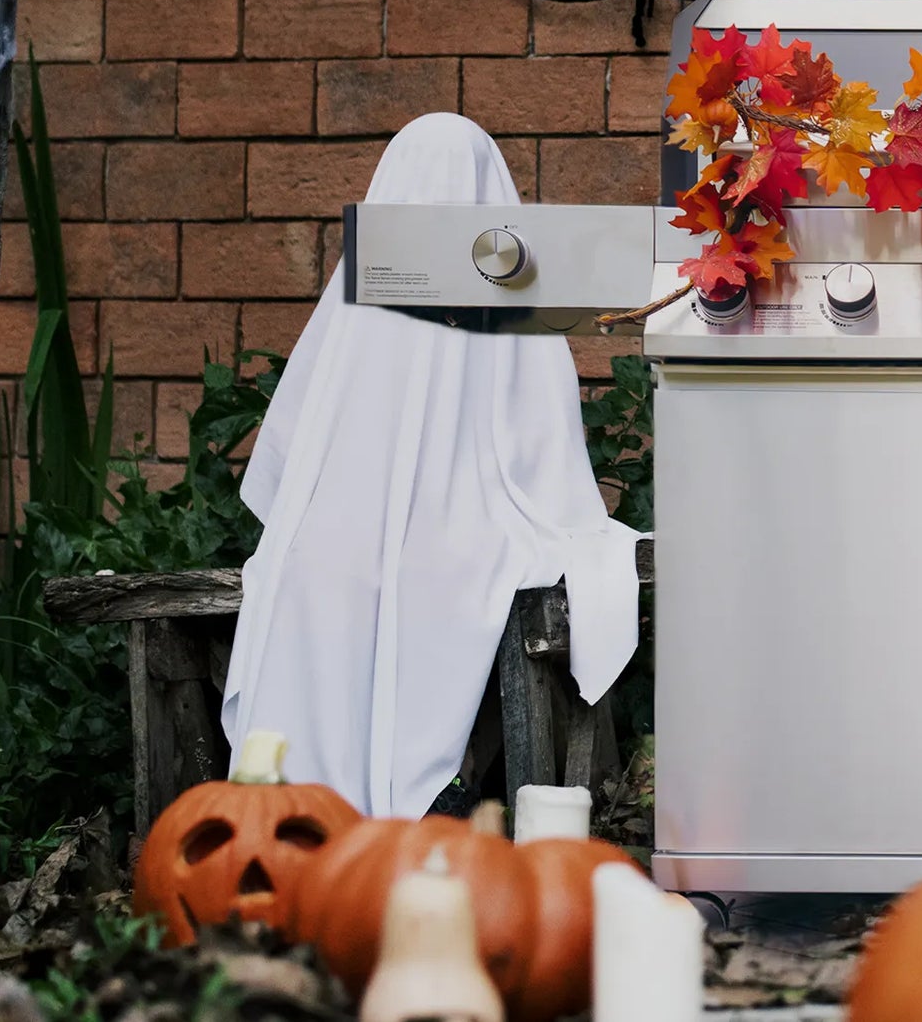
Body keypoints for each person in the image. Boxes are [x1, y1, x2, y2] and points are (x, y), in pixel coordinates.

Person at [219, 113, 644, 816]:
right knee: (424, 576)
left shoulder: (368, 287)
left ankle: (306, 799)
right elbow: (545, 447)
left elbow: (291, 454)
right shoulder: (508, 287)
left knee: (325, 577)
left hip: (347, 542)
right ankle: (412, 796)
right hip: (449, 537)